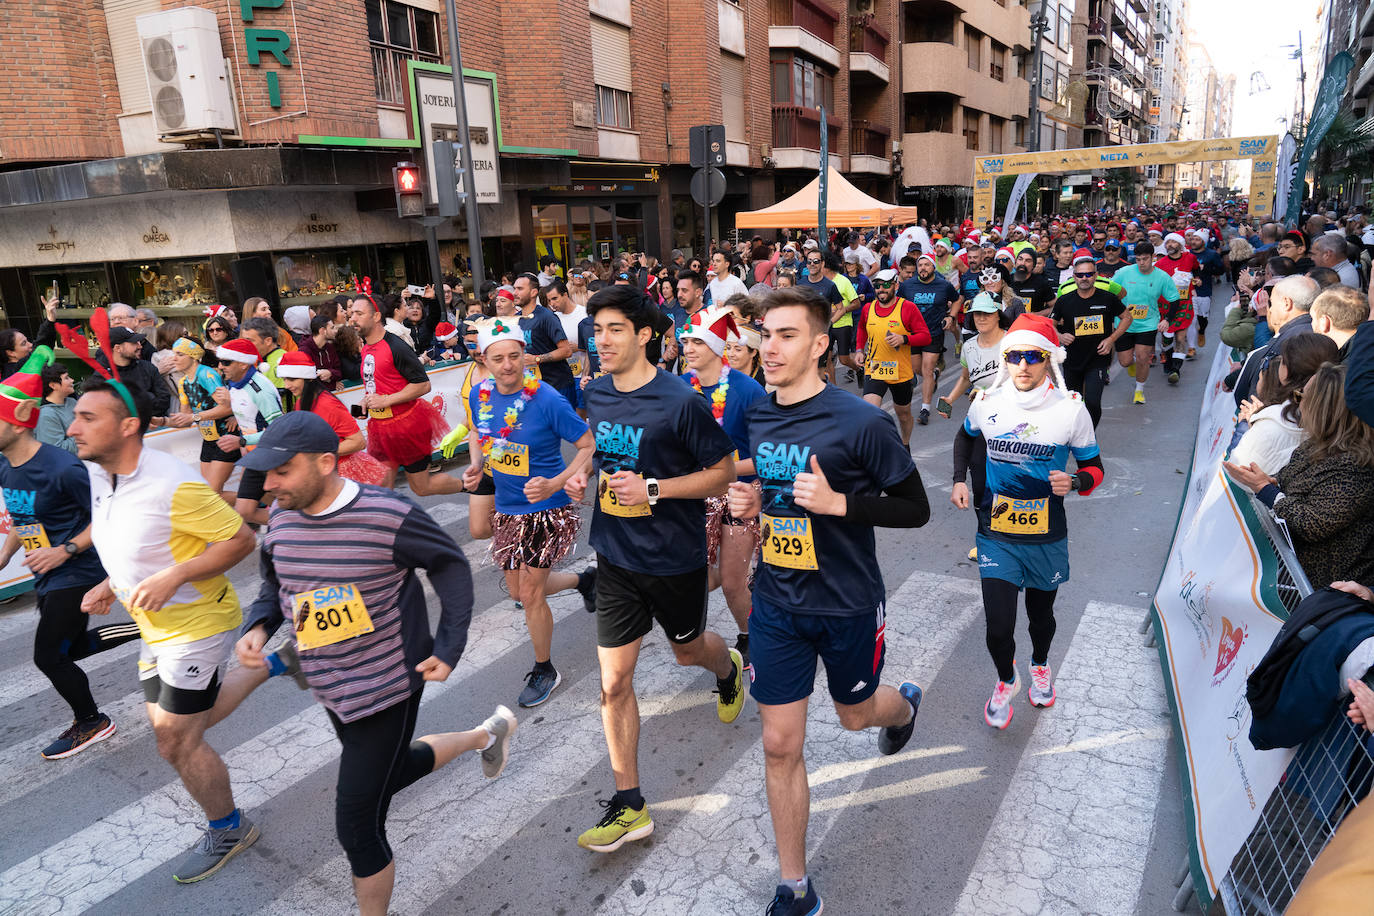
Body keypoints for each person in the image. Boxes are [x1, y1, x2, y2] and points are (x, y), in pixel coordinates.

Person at [233, 411, 516, 916]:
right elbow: (277, 581)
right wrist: (258, 625)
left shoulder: (386, 514)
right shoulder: (280, 516)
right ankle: (487, 735)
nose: (267, 484)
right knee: (394, 768)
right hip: (330, 684)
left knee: (358, 824)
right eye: (263, 473)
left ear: (326, 463)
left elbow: (448, 564)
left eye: (281, 471)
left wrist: (448, 645)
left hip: (388, 682)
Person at [726, 285, 930, 916]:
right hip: (779, 602)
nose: (771, 346)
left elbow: (915, 508)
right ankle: (795, 887)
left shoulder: (860, 421)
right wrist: (757, 503)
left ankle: (902, 710)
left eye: (787, 335)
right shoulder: (757, 413)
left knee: (855, 715)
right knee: (780, 743)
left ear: (819, 345)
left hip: (846, 603)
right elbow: (771, 481)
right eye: (765, 333)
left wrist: (841, 504)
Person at [562, 284, 745, 854]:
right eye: (597, 330)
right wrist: (579, 471)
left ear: (645, 334)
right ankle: (630, 804)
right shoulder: (595, 391)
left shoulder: (681, 401)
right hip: (615, 554)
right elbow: (602, 442)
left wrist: (655, 489)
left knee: (688, 651)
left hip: (673, 558)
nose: (603, 340)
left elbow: (724, 471)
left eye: (616, 329)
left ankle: (729, 666)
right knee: (614, 682)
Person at [69, 376, 266, 883]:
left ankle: (229, 827)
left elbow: (240, 541)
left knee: (175, 741)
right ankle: (273, 665)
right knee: (180, 726)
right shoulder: (101, 471)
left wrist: (175, 574)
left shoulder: (172, 483)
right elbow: (130, 532)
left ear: (128, 425)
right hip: (152, 623)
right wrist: (113, 582)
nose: (73, 428)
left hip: (195, 622)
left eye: (88, 418)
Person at [951, 313, 1105, 730]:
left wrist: (1074, 481)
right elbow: (965, 437)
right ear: (1005, 358)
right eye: (1014, 355)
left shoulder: (1071, 412)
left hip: (1045, 536)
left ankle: (1040, 664)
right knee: (998, 626)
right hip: (996, 532)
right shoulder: (987, 404)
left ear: (1048, 360)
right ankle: (1006, 680)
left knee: (1041, 616)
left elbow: (1095, 469)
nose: (1023, 365)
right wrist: (958, 480)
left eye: (1033, 356)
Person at [0, 357, 140, 759]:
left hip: (79, 570)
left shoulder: (63, 468)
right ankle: (145, 629)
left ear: (14, 423)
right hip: (50, 572)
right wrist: (5, 555)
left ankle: (91, 720)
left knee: (49, 656)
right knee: (72, 649)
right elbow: (25, 516)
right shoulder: (7, 466)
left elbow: (109, 513)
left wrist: (65, 550)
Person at [462, 319, 596, 707]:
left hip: (544, 510)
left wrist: (556, 483)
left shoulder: (547, 400)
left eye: (515, 356)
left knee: (532, 595)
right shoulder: (480, 395)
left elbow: (587, 445)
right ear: (484, 359)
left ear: (525, 355)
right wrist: (475, 464)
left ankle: (545, 669)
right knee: (518, 590)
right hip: (506, 509)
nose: (508, 365)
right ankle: (584, 581)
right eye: (498, 358)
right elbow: (476, 432)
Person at [1226, 363, 1374, 589]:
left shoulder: (1356, 465)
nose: (1296, 402)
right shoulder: (1317, 443)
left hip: (1324, 587)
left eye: (1301, 396)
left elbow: (1313, 523)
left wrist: (1266, 490)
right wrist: (1271, 481)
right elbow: (1293, 482)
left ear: (1323, 409)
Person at [677, 305, 768, 667]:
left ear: (716, 345)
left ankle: (750, 635)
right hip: (693, 496)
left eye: (697, 341)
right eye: (686, 341)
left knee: (732, 583)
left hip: (737, 496)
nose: (689, 348)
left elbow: (766, 455)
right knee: (691, 575)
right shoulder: (682, 387)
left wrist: (722, 471)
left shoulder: (747, 390)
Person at [348, 294, 457, 496]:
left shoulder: (396, 346)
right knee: (381, 489)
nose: (352, 318)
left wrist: (386, 400)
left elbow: (423, 385)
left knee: (422, 488)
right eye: (351, 312)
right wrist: (366, 401)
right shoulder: (366, 349)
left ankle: (471, 486)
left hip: (407, 426)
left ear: (376, 316)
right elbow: (377, 383)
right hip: (380, 428)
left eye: (359, 313)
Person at [1229, 333, 1337, 480]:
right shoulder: (1337, 406)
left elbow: (1236, 470)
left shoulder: (1272, 423)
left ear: (1287, 372)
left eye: (1283, 361)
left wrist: (1247, 427)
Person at [275, 351, 388, 485]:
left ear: (309, 378)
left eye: (292, 379)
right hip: (321, 470)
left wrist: (318, 453)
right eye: (284, 379)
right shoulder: (300, 402)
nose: (286, 385)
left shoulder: (328, 404)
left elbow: (358, 442)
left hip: (342, 474)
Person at [855, 268, 932, 446]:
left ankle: (905, 445)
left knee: (903, 415)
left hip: (900, 371)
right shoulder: (868, 308)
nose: (881, 290)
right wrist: (859, 349)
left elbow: (925, 336)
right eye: (877, 286)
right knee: (869, 413)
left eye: (886, 285)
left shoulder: (908, 308)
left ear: (896, 285)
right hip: (874, 367)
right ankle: (881, 449)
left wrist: (904, 338)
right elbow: (861, 329)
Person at [1053, 253, 1130, 427]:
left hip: (1098, 359)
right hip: (1072, 360)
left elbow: (1127, 318)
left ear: (1095, 275)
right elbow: (1050, 324)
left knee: (1093, 402)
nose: (1084, 278)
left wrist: (1111, 339)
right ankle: (1076, 432)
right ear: (1074, 277)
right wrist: (1060, 336)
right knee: (1074, 403)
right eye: (1080, 275)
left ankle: (1089, 435)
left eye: (1088, 274)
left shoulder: (1107, 298)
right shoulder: (1065, 300)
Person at [1232, 276, 1319, 406]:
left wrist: (1256, 419)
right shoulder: (1316, 333)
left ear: (1286, 303)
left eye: (1271, 302)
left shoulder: (1292, 343)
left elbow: (1264, 396)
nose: (1269, 309)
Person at [1112, 241, 1180, 405]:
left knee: (1143, 357)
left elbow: (1175, 300)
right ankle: (1132, 363)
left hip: (1148, 323)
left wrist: (1167, 320)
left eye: (1145, 259)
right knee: (1125, 361)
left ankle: (1139, 390)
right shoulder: (1123, 273)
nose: (1141, 263)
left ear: (1153, 257)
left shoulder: (1162, 277)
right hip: (1123, 323)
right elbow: (1109, 291)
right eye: (1138, 259)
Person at [898, 252, 962, 425]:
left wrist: (951, 316)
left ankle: (925, 408)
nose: (923, 268)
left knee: (926, 370)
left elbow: (957, 300)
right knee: (917, 368)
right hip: (912, 334)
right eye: (920, 265)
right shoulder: (907, 285)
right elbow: (899, 305)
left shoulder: (943, 285)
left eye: (927, 265)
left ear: (933, 267)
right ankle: (934, 375)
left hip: (933, 333)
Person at [168, 338, 238, 494]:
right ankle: (251, 502)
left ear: (193, 357)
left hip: (227, 434)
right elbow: (185, 418)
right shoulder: (183, 382)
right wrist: (158, 421)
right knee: (209, 493)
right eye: (174, 354)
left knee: (212, 493)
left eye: (180, 354)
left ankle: (252, 503)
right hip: (209, 438)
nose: (174, 358)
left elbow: (227, 408)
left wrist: (195, 417)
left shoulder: (206, 374)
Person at [512, 273, 576, 405]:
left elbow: (566, 351)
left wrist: (537, 359)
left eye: (520, 289)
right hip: (531, 387)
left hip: (557, 385)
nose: (515, 293)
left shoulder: (546, 317)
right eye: (514, 288)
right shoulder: (515, 319)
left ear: (533, 292)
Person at [1152, 233, 1199, 383]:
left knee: (1180, 337)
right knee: (1167, 337)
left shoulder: (1190, 258)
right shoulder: (1160, 264)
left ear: (1180, 244)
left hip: (1184, 304)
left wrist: (1197, 280)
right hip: (1165, 306)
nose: (1169, 245)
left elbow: (1197, 270)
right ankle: (1168, 357)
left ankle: (1175, 370)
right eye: (1167, 242)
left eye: (1173, 242)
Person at [1185, 230, 1226, 355]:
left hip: (1204, 291)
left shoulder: (1212, 254)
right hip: (1189, 291)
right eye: (1192, 239)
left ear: (1203, 241)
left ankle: (1201, 331)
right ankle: (1191, 348)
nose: (1193, 242)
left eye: (1197, 239)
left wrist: (1206, 268)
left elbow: (1221, 271)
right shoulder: (1186, 254)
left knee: (1202, 318)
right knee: (1190, 319)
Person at [1312, 285, 1369, 362]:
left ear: (1324, 322)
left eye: (1312, 318)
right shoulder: (1367, 350)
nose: (1311, 324)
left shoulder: (1345, 369)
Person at [37, 363, 78, 453]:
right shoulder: (46, 415)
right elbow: (55, 450)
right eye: (66, 378)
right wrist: (85, 433)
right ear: (53, 385)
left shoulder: (72, 402)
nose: (72, 380)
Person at [298, 314, 342, 388]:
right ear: (322, 330)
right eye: (332, 328)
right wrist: (332, 384)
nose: (335, 331)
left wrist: (330, 373)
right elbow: (306, 380)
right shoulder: (304, 351)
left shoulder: (330, 348)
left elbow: (339, 372)